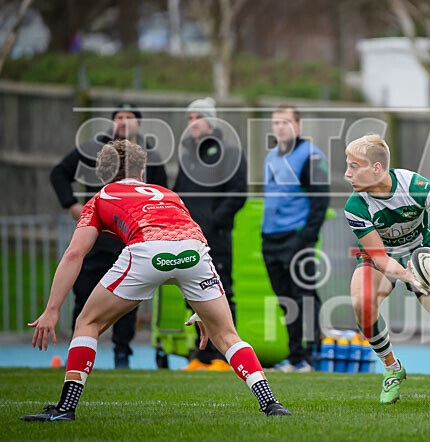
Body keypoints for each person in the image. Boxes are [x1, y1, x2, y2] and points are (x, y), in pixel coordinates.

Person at [21, 140, 289, 421]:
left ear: (101, 176)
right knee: (227, 335)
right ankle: (271, 403)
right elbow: (182, 244)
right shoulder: (168, 194)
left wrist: (52, 309)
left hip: (146, 249)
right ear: (142, 171)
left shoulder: (101, 196)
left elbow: (75, 253)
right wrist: (200, 303)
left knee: (88, 323)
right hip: (194, 250)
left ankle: (65, 408)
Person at [344, 135, 430, 403]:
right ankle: (392, 368)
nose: (347, 174)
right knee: (361, 302)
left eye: (354, 166)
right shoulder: (356, 205)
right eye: (348, 165)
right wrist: (407, 275)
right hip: (380, 259)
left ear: (377, 168)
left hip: (421, 254)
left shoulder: (415, 186)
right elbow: (380, 259)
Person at [49, 103, 167, 368]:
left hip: (130, 239)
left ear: (139, 122)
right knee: (84, 293)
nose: (123, 121)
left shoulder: (151, 156)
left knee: (128, 298)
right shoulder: (95, 149)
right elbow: (59, 173)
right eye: (118, 117)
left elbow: (161, 192)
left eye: (129, 117)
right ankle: (77, 351)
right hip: (97, 235)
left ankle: (122, 353)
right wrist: (71, 204)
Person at [175, 97, 247, 372]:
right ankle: (203, 355)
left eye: (197, 117)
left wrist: (213, 223)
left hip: (215, 239)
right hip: (186, 238)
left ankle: (226, 355)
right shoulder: (187, 156)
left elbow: (238, 193)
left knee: (221, 292)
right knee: (192, 293)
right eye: (189, 118)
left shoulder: (230, 153)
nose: (192, 123)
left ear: (211, 121)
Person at [261, 104, 329, 372]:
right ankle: (294, 356)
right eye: (276, 122)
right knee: (284, 298)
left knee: (304, 296)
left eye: (286, 122)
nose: (280, 127)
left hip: (296, 238)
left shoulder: (310, 156)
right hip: (270, 239)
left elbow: (320, 202)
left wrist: (306, 238)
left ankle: (312, 356)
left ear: (298, 126)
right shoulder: (271, 157)